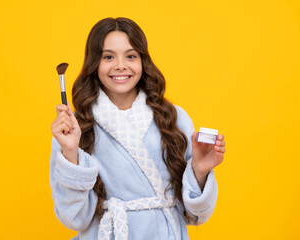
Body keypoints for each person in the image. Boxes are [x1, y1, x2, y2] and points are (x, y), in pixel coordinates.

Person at [50, 17, 226, 240]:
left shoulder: (173, 118)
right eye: (108, 57)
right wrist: (70, 151)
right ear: (94, 64)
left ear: (143, 61)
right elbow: (75, 218)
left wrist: (199, 171)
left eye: (131, 56)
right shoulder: (74, 128)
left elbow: (195, 214)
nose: (120, 65)